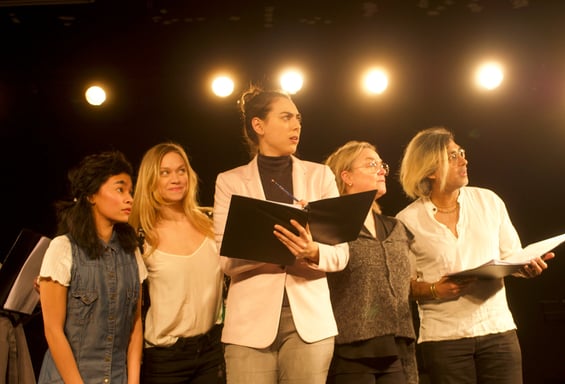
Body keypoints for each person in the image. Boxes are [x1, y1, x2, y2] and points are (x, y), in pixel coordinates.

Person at [213, 85, 349, 383]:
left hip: (310, 322)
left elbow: (340, 254)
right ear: (258, 125)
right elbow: (225, 259)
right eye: (286, 117)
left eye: (298, 118)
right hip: (249, 326)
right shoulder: (230, 181)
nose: (296, 125)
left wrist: (312, 250)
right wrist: (278, 246)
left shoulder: (320, 175)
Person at [396, 126, 554, 384]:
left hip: (498, 332)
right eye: (453, 156)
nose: (464, 160)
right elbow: (403, 285)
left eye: (462, 152)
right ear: (431, 170)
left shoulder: (488, 201)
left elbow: (512, 255)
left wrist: (526, 267)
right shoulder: (407, 220)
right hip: (445, 340)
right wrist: (436, 289)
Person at [37, 151, 146, 384]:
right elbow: (53, 332)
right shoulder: (63, 248)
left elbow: (135, 325)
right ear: (91, 195)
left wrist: (133, 380)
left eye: (130, 191)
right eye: (120, 189)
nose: (129, 198)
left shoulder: (131, 252)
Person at [324, 140, 419, 384]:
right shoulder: (331, 226)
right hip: (350, 351)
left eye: (381, 164)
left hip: (395, 347)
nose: (381, 170)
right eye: (370, 164)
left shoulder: (396, 228)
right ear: (347, 176)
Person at [129, 142, 225, 383]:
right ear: (150, 179)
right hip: (165, 358)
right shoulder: (139, 235)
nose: (176, 178)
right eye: (165, 172)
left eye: (181, 170)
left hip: (212, 351)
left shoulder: (211, 222)